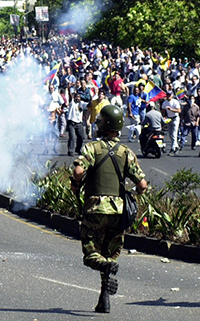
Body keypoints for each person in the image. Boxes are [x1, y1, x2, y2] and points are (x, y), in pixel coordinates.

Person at [71, 105, 147, 314]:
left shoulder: (92, 148)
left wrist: (76, 184)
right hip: (118, 212)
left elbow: (78, 171)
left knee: (91, 254)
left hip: (95, 209)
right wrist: (131, 195)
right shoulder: (126, 153)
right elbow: (142, 185)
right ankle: (104, 299)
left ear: (102, 125)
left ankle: (104, 267)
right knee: (109, 255)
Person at [161, 90, 182, 155]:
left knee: (174, 134)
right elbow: (163, 110)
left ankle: (173, 148)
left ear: (172, 95)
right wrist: (164, 116)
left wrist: (171, 109)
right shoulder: (165, 102)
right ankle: (177, 146)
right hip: (169, 118)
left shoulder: (175, 102)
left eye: (170, 95)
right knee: (170, 134)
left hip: (175, 118)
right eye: (167, 95)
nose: (168, 96)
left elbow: (179, 110)